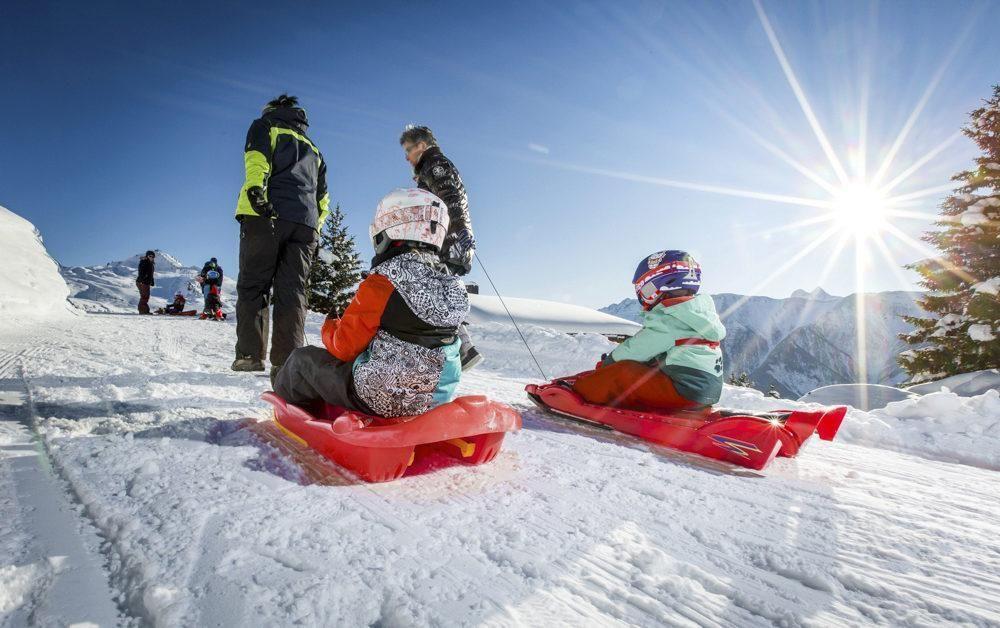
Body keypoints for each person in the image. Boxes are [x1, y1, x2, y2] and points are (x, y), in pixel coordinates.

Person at [274, 188, 469, 418]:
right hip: (435, 400)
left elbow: (344, 348)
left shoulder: (384, 281)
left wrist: (330, 326)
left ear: (388, 229)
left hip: (381, 395)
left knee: (302, 359)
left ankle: (288, 411)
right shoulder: (454, 287)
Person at [233, 94, 329, 382]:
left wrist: (255, 190)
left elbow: (257, 159)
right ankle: (286, 362)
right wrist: (316, 228)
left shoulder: (265, 126)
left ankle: (249, 356)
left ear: (273, 110)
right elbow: (323, 198)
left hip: (267, 214)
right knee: (293, 292)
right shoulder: (314, 149)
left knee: (254, 284)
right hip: (305, 225)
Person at [570, 251, 726, 411]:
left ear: (663, 283)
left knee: (623, 373)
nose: (644, 297)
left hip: (682, 391)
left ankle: (576, 394)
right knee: (647, 367)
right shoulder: (695, 314)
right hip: (702, 393)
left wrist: (609, 362)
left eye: (646, 290)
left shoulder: (670, 318)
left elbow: (636, 349)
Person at [399, 125, 481, 370]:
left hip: (448, 242)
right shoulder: (431, 167)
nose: (407, 157)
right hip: (450, 240)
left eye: (409, 150)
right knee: (437, 295)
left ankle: (461, 350)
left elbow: (449, 198)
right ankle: (463, 350)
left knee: (430, 294)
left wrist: (456, 231)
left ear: (422, 146)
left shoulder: (434, 164)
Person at [136, 250, 155, 314]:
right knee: (145, 296)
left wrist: (152, 281)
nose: (151, 257)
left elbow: (150, 274)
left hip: (146, 282)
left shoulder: (150, 263)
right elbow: (141, 272)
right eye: (150, 256)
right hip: (143, 282)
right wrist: (142, 280)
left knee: (145, 296)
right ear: (147, 256)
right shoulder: (144, 262)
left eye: (153, 256)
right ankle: (143, 311)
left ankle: (145, 310)